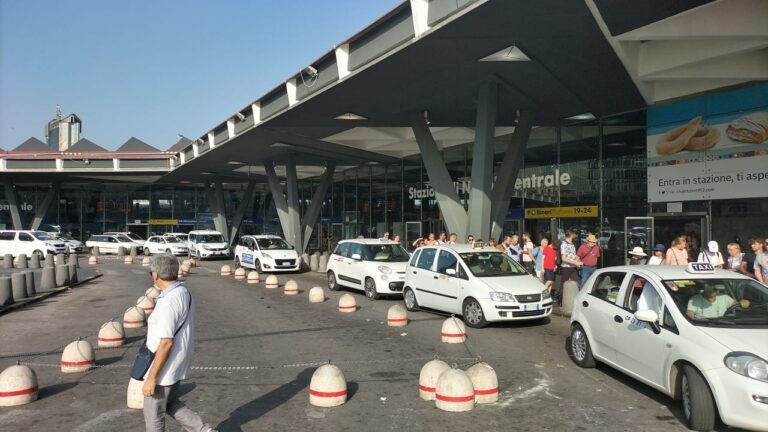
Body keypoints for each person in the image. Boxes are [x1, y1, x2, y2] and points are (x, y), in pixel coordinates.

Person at [143, 254, 216, 432]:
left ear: (156, 275)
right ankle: (204, 430)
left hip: (163, 366)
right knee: (171, 403)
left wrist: (151, 378)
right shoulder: (183, 292)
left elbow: (166, 342)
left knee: (153, 414)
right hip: (178, 360)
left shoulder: (168, 301)